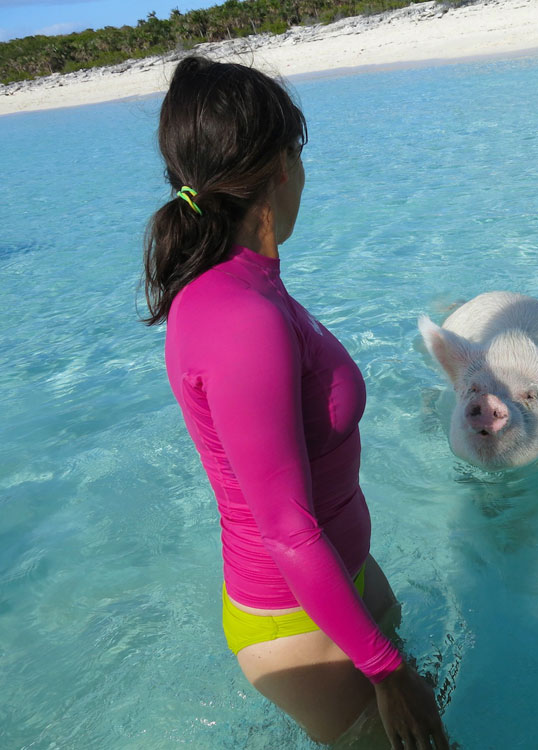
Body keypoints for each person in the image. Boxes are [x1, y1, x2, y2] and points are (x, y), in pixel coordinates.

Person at [142, 55, 448, 749]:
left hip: (340, 586)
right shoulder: (239, 316)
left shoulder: (249, 287)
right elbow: (285, 527)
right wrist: (386, 669)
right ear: (283, 164)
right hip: (297, 620)